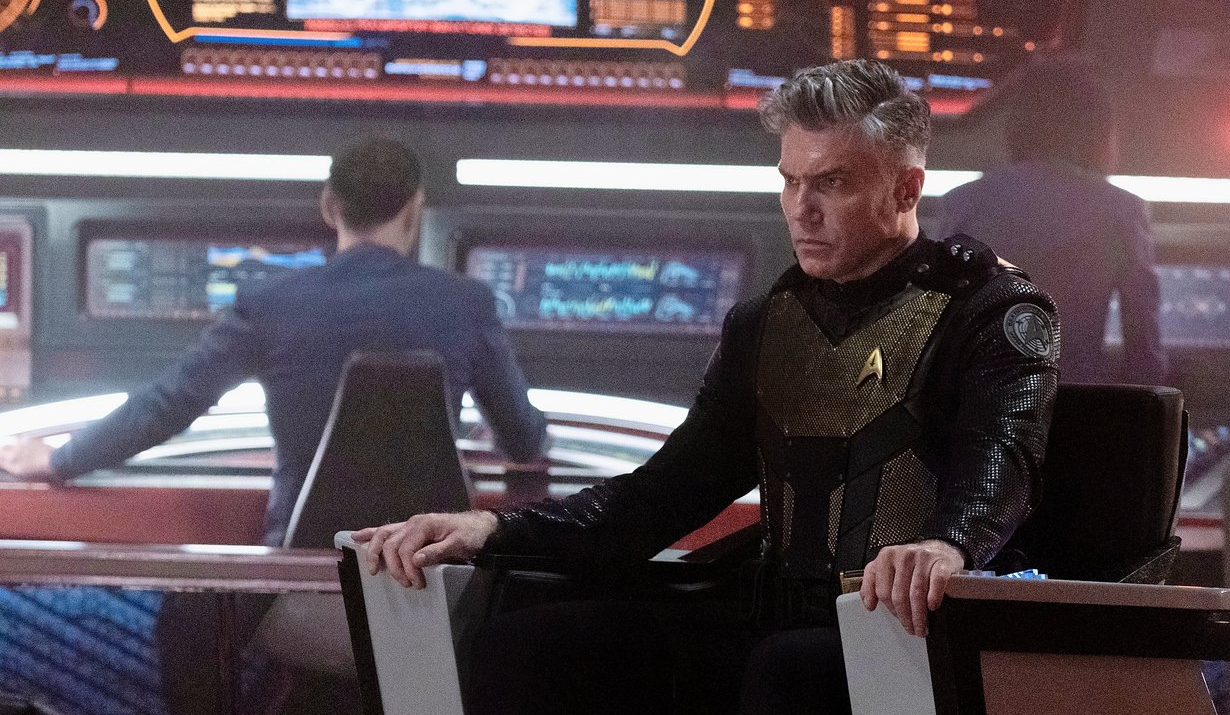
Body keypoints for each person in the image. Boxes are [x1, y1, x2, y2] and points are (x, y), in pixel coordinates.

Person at [356, 60, 1061, 715]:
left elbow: (1001, 462)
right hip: (768, 614)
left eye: (831, 183)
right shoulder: (765, 324)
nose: (801, 209)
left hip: (913, 628)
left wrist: (947, 546)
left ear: (906, 188)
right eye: (790, 181)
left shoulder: (990, 310)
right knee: (525, 645)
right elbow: (663, 495)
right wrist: (494, 529)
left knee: (785, 670)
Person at [0, 136, 548, 545]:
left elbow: (169, 404)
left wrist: (61, 459)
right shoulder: (468, 304)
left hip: (300, 570)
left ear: (330, 206)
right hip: (430, 575)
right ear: (413, 209)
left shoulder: (269, 304)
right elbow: (524, 441)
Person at [937, 53, 1165, 384]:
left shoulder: (962, 202)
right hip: (1072, 399)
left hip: (979, 398)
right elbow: (1144, 345)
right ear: (1098, 130)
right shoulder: (1122, 209)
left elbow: (937, 323)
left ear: (1018, 126)